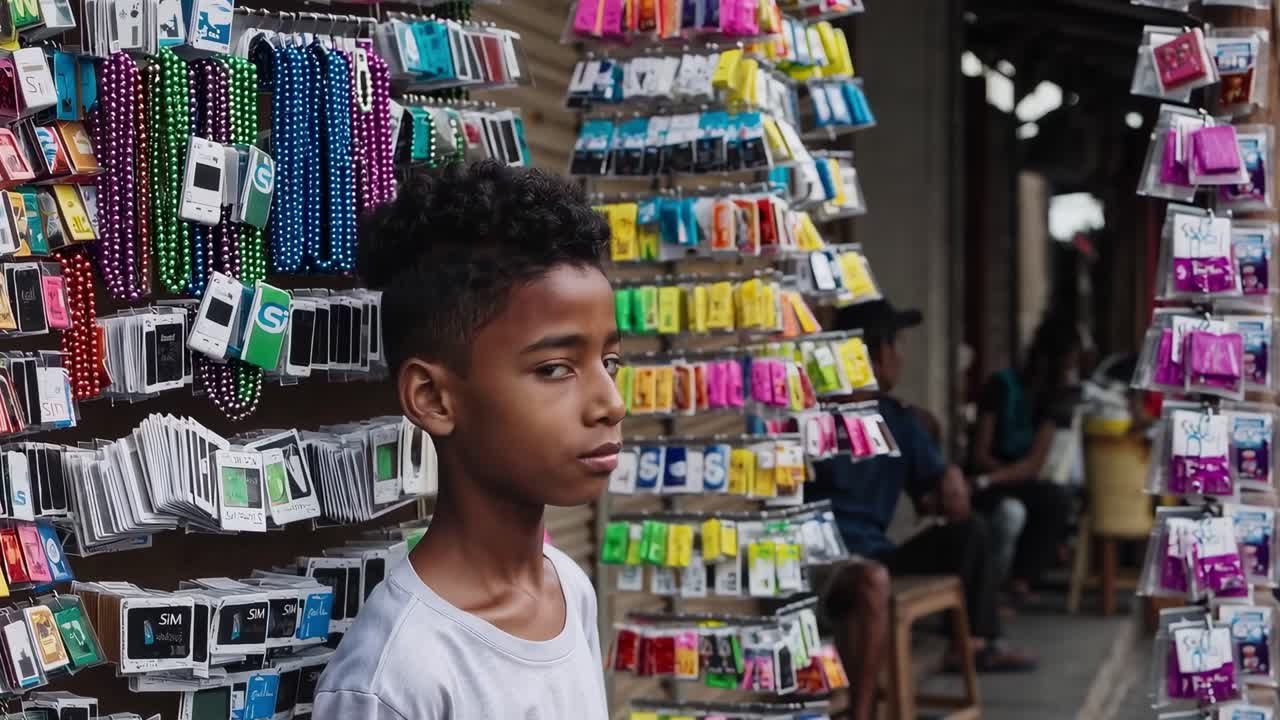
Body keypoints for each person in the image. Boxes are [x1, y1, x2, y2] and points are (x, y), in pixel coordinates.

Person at [313, 161, 623, 719]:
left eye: (610, 362)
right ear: (433, 398)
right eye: (555, 368)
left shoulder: (570, 589)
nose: (610, 403)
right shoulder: (395, 675)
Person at [808, 299, 1037, 684]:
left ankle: (976, 641)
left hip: (867, 560)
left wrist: (943, 471)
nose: (902, 356)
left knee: (968, 533)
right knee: (971, 530)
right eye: (897, 345)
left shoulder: (882, 418)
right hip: (831, 567)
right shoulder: (894, 419)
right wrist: (948, 477)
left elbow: (937, 500)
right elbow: (951, 504)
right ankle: (978, 642)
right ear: (878, 355)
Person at [970, 313, 1081, 602]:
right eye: (1067, 363)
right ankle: (988, 593)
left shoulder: (1052, 400)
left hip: (1011, 476)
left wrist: (995, 478)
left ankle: (1021, 579)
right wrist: (992, 477)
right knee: (1008, 513)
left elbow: (1035, 464)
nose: (1070, 372)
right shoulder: (1000, 386)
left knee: (1056, 500)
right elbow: (980, 454)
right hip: (990, 474)